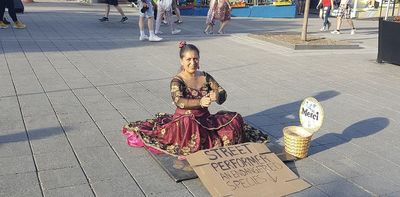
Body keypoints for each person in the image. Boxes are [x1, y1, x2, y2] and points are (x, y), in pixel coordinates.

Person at [122, 41, 267, 158]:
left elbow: (222, 91)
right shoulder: (177, 81)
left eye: (196, 59)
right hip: (185, 120)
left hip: (206, 118)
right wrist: (200, 102)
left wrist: (217, 95)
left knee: (235, 118)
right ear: (182, 60)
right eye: (188, 59)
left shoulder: (205, 75)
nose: (193, 62)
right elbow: (179, 101)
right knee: (190, 122)